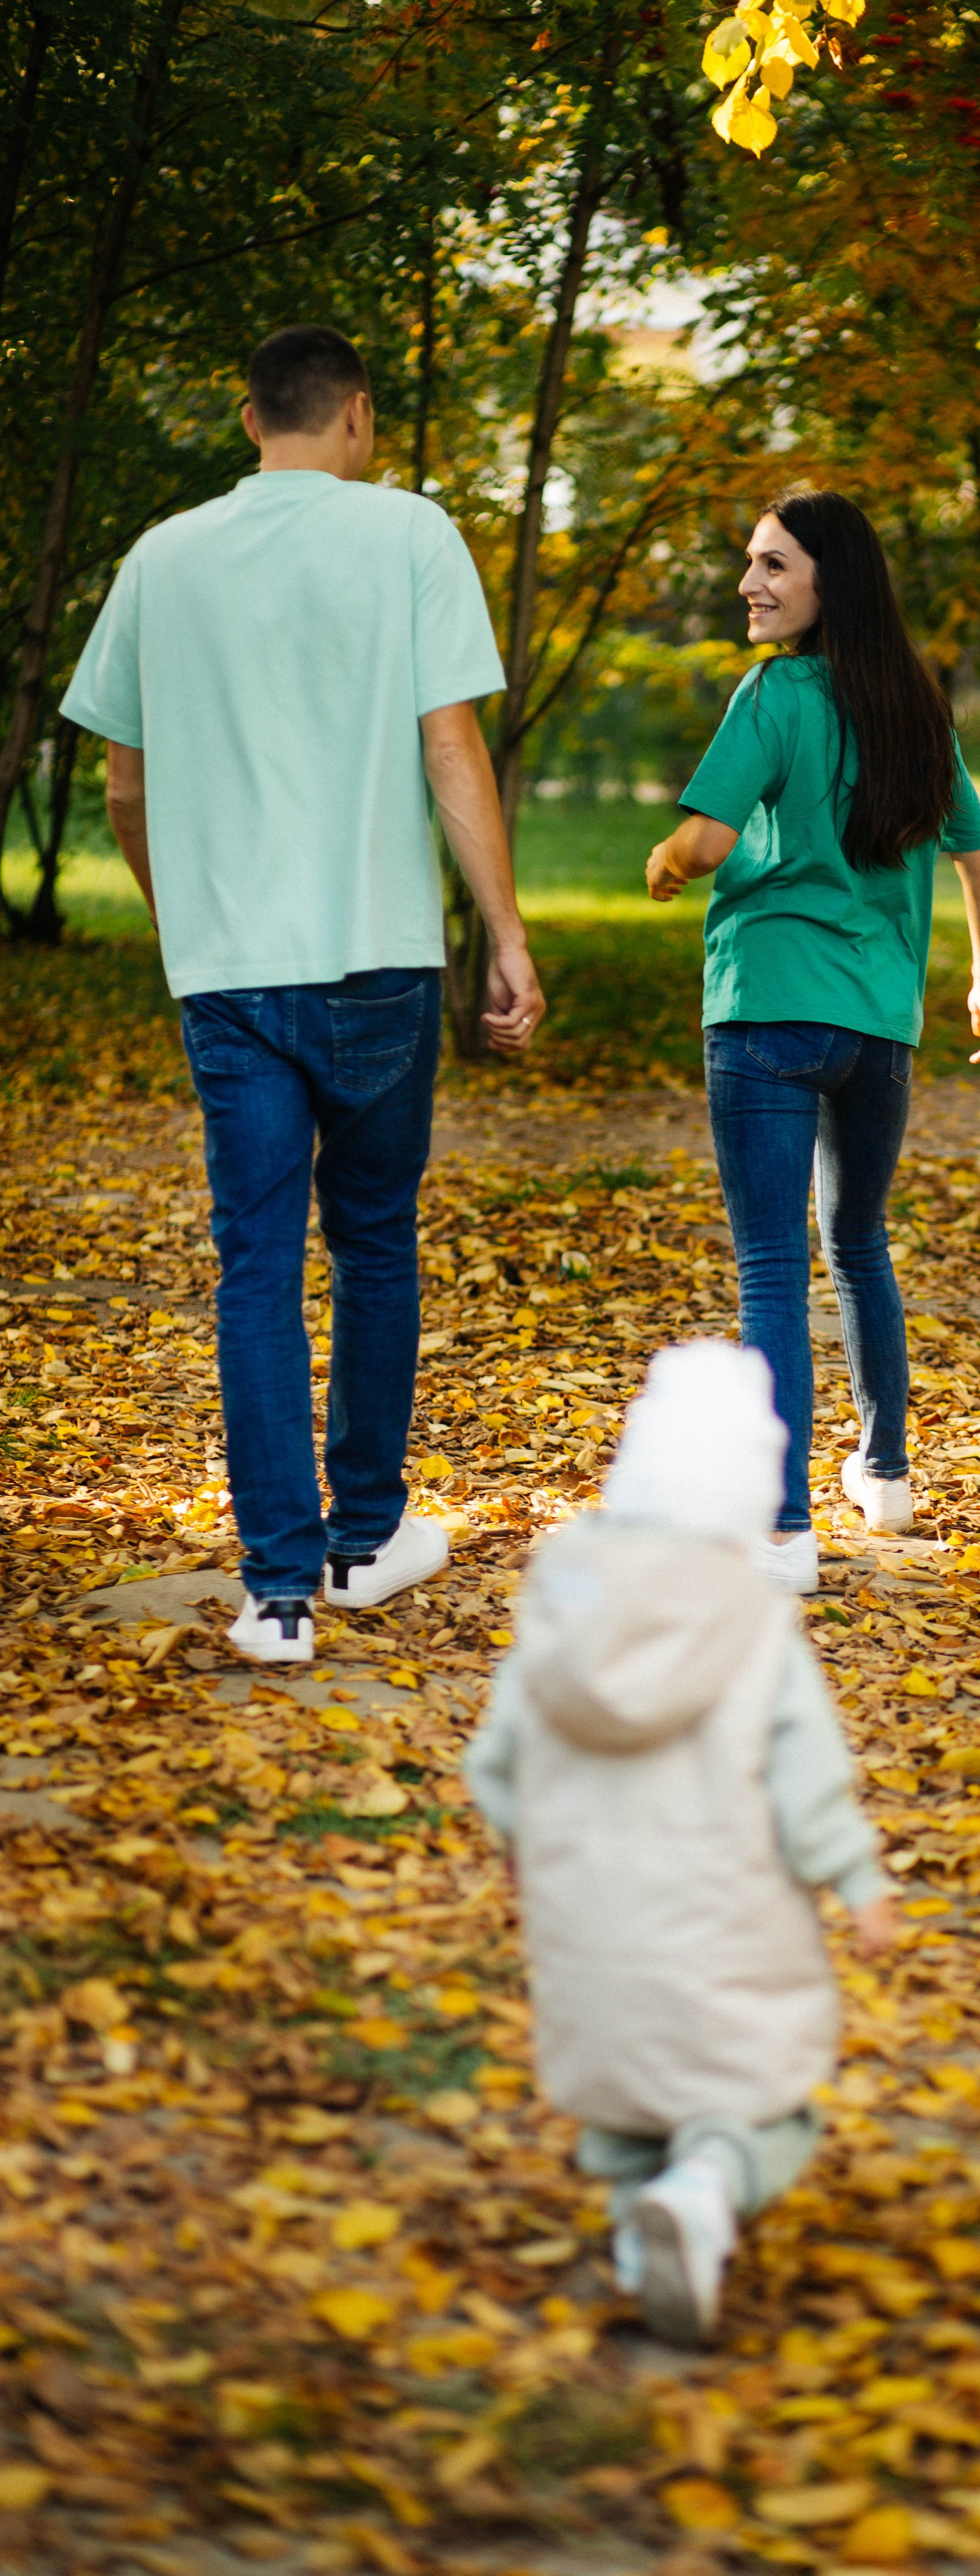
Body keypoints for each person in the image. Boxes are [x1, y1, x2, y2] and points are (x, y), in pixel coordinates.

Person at [60, 325, 545, 1666]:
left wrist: (185, 926)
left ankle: (275, 1597)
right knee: (374, 1240)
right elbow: (449, 742)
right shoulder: (406, 534)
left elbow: (122, 785)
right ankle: (362, 1540)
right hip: (379, 960)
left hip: (233, 976)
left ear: (247, 416)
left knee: (257, 1270)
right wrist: (502, 931)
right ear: (358, 416)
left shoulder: (164, 557)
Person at [464, 1339, 896, 2345]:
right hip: (723, 1913)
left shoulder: (561, 1596)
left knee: (625, 2104)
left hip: (585, 1914)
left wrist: (518, 1840)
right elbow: (805, 1766)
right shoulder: (747, 1619)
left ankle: (640, 2237)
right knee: (755, 2100)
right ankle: (705, 2192)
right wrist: (857, 1880)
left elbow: (499, 1754)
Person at [644, 487, 980, 1596]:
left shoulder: (772, 695)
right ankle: (886, 1474)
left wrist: (663, 862)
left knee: (771, 1264)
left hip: (766, 1011)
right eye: (750, 565)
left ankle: (783, 1527)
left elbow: (707, 841)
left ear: (826, 581)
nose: (749, 586)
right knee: (857, 1241)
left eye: (772, 566)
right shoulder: (916, 709)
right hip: (877, 1029)